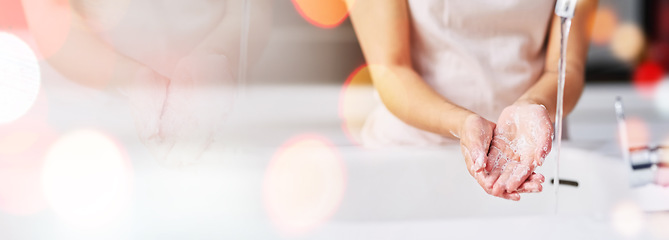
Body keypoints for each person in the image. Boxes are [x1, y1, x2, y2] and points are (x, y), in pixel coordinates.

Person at [349, 0, 597, 200]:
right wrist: (461, 122)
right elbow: (392, 69)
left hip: (527, 158)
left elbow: (566, 69)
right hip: (411, 155)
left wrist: (533, 103)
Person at [20, 0, 271, 167]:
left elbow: (253, 12)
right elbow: (52, 23)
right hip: (100, 129)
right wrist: (132, 81)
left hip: (223, 111)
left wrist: (216, 57)